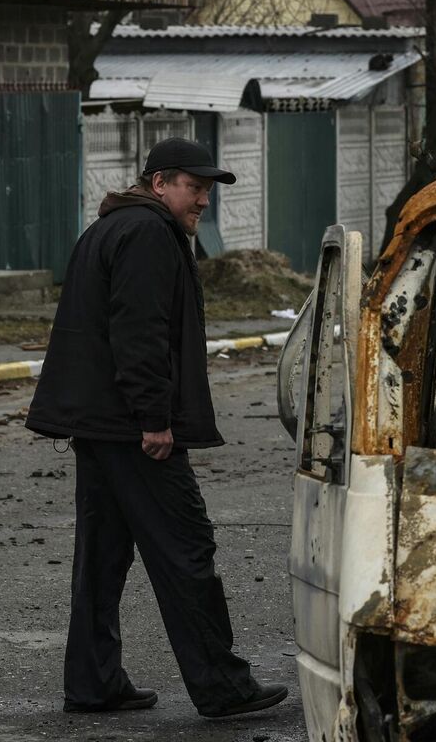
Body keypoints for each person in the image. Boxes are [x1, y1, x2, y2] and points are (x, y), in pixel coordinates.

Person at [27, 138, 287, 718]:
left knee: (102, 558)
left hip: (99, 424)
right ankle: (222, 687)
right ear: (161, 181)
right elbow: (139, 332)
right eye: (195, 189)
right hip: (130, 428)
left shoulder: (114, 226)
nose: (202, 202)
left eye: (207, 191)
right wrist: (154, 418)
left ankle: (94, 684)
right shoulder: (146, 232)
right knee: (186, 547)